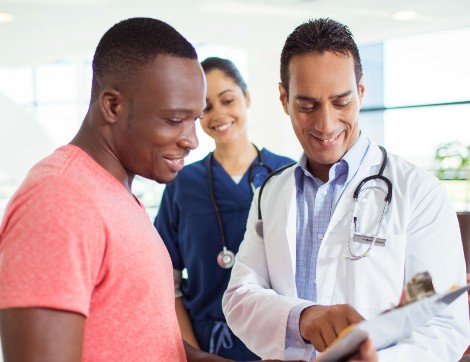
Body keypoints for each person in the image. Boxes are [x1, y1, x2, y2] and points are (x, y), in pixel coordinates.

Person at [0, 16, 377, 362]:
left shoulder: (113, 197)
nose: (193, 140)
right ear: (112, 105)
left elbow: (153, 345)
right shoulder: (60, 200)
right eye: (175, 120)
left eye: (195, 119)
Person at [222, 17, 470, 362]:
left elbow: (443, 321)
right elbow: (240, 296)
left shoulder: (418, 192)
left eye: (341, 103)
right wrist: (304, 318)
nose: (326, 124)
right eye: (307, 105)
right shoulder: (271, 192)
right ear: (283, 98)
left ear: (361, 92)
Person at [154, 56, 294, 360]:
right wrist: (191, 352)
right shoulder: (182, 183)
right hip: (207, 345)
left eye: (227, 100)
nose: (218, 114)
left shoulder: (287, 175)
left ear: (247, 98)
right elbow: (166, 281)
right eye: (206, 107)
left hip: (276, 344)